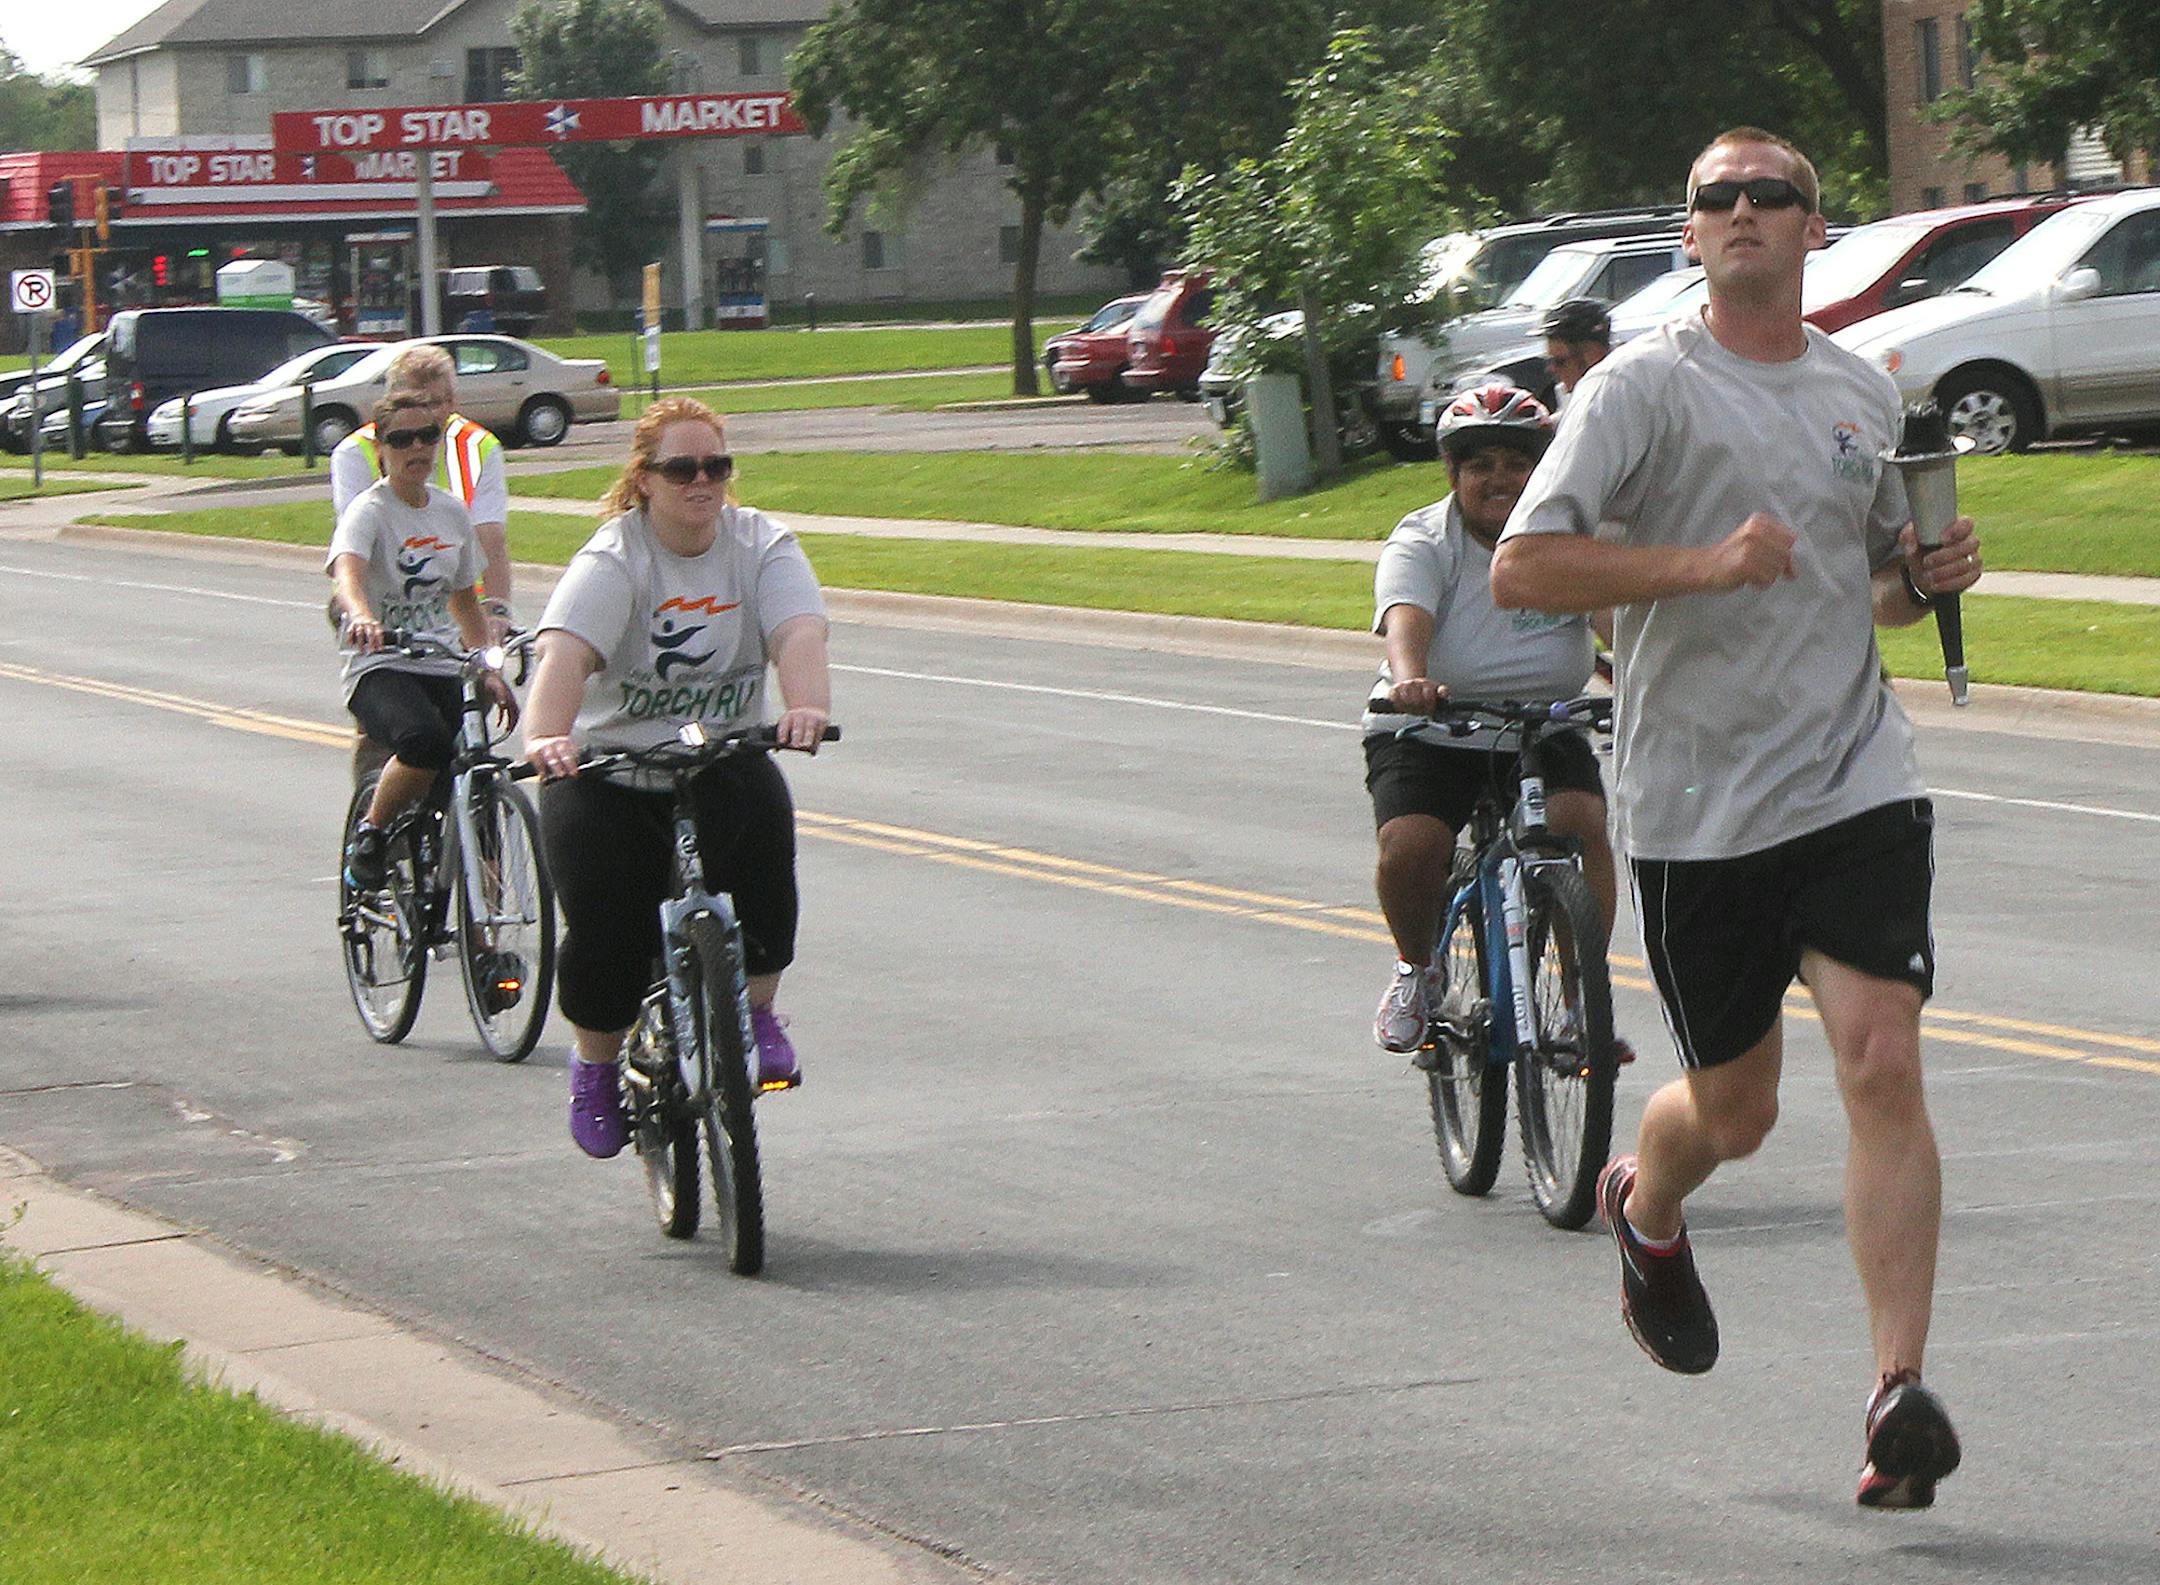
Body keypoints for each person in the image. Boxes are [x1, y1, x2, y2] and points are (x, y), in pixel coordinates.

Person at [1490, 126, 1984, 1510]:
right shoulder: (1639, 390)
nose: (1750, 211)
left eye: (1777, 195)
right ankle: (1645, 1207)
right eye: (1722, 198)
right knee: (1739, 1110)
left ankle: (1897, 1392)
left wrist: (1926, 569)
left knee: (1882, 1058)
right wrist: (1702, 564)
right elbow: (1526, 567)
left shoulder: (1859, 393)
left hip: (1851, 780)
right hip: (1696, 805)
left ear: (1816, 229)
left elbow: (1875, 594)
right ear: (1692, 235)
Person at [521, 397, 833, 1161]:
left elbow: (798, 628)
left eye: (716, 467)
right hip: (605, 767)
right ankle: (595, 1067)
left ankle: (756, 1012)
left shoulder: (761, 544)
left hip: (715, 754)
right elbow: (563, 653)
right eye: (682, 468)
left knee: (765, 827)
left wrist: (807, 707)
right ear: (645, 478)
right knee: (604, 926)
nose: (702, 482)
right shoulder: (615, 558)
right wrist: (546, 737)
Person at [1364, 382, 1623, 1057]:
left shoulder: (1564, 539)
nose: (1500, 478)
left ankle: (1576, 1001)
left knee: (1583, 825)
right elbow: (1405, 618)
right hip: (1433, 728)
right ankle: (1417, 972)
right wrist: (1410, 679)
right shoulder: (1425, 539)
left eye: (1516, 462)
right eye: (1480, 464)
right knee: (1412, 846)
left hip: (1544, 724)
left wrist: (1637, 663)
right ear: (1453, 473)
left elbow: (1613, 620)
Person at [328, 393, 515, 888]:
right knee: (424, 742)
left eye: (428, 436)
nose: (417, 448)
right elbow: (347, 577)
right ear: (382, 449)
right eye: (401, 439)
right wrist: (364, 617)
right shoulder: (369, 511)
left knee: (478, 771)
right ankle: (371, 834)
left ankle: (486, 928)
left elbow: (464, 604)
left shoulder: (452, 514)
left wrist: (488, 669)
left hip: (441, 662)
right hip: (381, 664)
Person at [332, 344, 513, 640]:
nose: (428, 414)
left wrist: (497, 608)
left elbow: (491, 536)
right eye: (417, 402)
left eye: (437, 403)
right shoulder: (356, 451)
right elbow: (354, 549)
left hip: (456, 601)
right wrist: (360, 615)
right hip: (382, 608)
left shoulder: (479, 446)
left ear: (453, 401)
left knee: (489, 680)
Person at [1540, 297, 1612, 405]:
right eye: (1549, 361)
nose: (1551, 369)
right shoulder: (1570, 394)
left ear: (1593, 355)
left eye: (1559, 361)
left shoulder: (1617, 396)